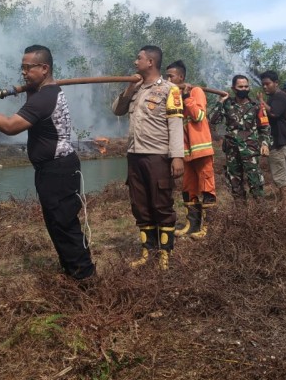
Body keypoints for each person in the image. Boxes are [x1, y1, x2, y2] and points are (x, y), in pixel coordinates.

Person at [0, 45, 95, 282]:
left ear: (44, 68)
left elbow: (10, 126)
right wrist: (30, 89)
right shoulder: (45, 94)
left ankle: (85, 278)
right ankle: (72, 273)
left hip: (58, 170)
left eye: (28, 68)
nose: (23, 73)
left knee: (64, 224)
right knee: (56, 224)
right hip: (52, 169)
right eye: (22, 68)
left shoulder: (45, 98)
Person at [112, 45, 184, 270]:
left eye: (139, 58)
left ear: (150, 62)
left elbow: (175, 124)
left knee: (161, 204)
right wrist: (129, 87)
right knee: (140, 205)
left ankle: (165, 254)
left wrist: (177, 157)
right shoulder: (136, 88)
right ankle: (148, 251)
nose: (135, 62)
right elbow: (117, 110)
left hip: (158, 156)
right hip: (134, 155)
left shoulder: (170, 90)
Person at [165, 60, 216, 239]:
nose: (168, 80)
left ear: (181, 77)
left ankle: (209, 226)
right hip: (185, 153)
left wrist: (187, 97)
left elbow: (199, 116)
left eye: (170, 76)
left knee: (207, 188)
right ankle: (192, 225)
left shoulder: (196, 91)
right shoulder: (173, 96)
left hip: (201, 151)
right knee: (188, 189)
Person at [209, 75, 271, 206]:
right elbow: (212, 120)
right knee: (235, 186)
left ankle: (262, 214)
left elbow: (265, 127)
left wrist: (265, 143)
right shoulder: (227, 104)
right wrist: (220, 102)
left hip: (251, 151)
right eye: (240, 86)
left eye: (246, 86)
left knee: (256, 184)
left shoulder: (256, 105)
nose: (244, 89)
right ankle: (241, 215)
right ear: (233, 88)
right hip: (232, 151)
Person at [259, 70, 286, 209]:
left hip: (282, 142)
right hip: (279, 141)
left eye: (267, 84)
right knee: (282, 175)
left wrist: (261, 101)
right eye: (263, 84)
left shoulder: (280, 96)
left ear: (276, 83)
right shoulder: (273, 97)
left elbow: (274, 113)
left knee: (281, 176)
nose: (265, 87)